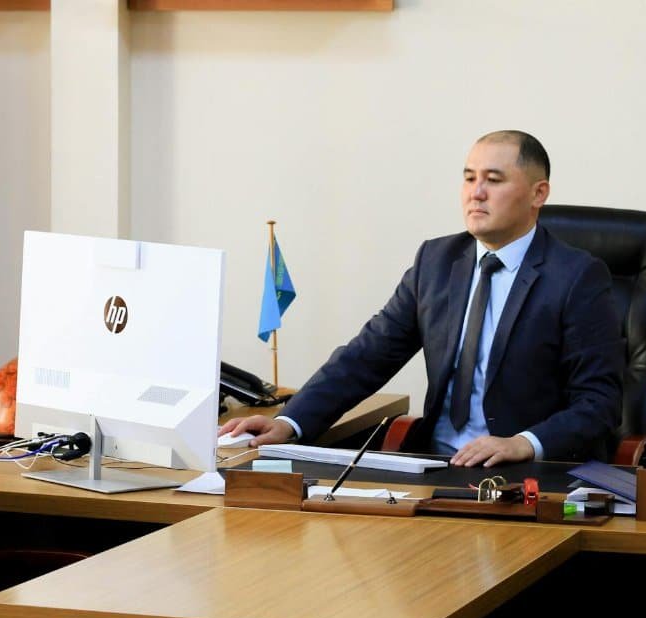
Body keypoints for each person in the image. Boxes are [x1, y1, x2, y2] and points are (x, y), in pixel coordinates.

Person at [220, 131, 623, 466]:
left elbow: (600, 402)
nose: (476, 193)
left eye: (494, 180)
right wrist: (291, 423)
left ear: (538, 194)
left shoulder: (576, 277)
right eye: (469, 178)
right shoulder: (437, 261)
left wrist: (522, 442)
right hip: (435, 465)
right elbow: (368, 355)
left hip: (526, 473)